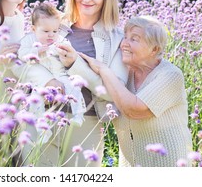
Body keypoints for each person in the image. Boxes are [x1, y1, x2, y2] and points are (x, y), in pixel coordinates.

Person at [15, 0, 128, 167]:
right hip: (41, 115)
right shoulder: (55, 25)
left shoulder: (117, 39)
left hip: (85, 122)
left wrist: (76, 65)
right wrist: (48, 80)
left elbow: (115, 92)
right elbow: (23, 61)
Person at [80, 16, 193, 167]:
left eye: (134, 39)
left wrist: (103, 70)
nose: (124, 43)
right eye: (125, 37)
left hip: (168, 164)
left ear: (155, 49)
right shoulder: (123, 74)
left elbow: (133, 110)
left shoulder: (170, 75)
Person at [18, 2, 86, 128]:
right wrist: (36, 51)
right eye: (46, 31)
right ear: (33, 29)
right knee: (35, 100)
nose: (51, 35)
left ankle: (79, 116)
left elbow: (69, 51)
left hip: (60, 74)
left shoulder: (59, 39)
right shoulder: (29, 39)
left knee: (75, 88)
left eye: (55, 30)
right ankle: (41, 128)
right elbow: (21, 54)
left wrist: (63, 51)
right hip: (42, 80)